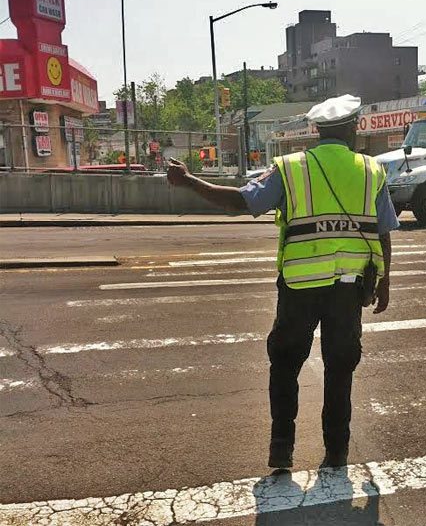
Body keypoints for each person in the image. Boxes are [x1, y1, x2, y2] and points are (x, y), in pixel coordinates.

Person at [167, 94, 399, 470]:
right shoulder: (372, 171)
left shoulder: (291, 169)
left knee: (286, 364)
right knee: (340, 368)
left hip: (299, 288)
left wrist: (190, 181)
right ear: (353, 128)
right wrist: (385, 281)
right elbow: (384, 230)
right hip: (348, 289)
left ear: (316, 131)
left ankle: (281, 448)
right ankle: (337, 452)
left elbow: (241, 202)